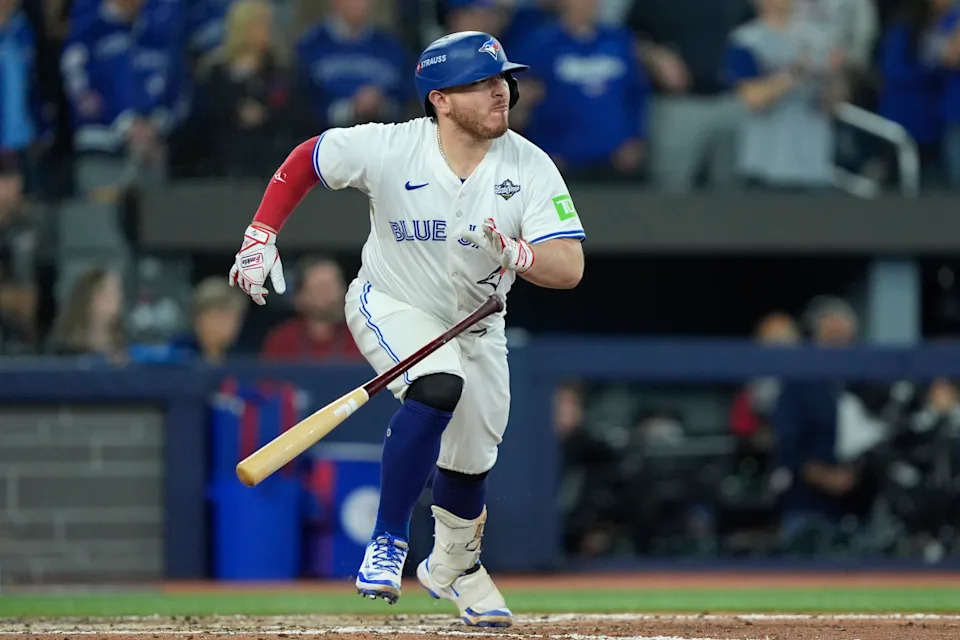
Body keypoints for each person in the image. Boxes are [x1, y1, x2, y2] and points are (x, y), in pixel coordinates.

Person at [228, 30, 585, 627]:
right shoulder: (393, 147)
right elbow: (305, 161)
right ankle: (389, 538)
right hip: (390, 303)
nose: (501, 93)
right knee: (438, 385)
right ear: (440, 99)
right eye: (481, 83)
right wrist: (260, 236)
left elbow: (569, 267)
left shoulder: (530, 165)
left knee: (471, 459)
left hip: (477, 324)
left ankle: (455, 565)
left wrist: (515, 254)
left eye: (502, 80)